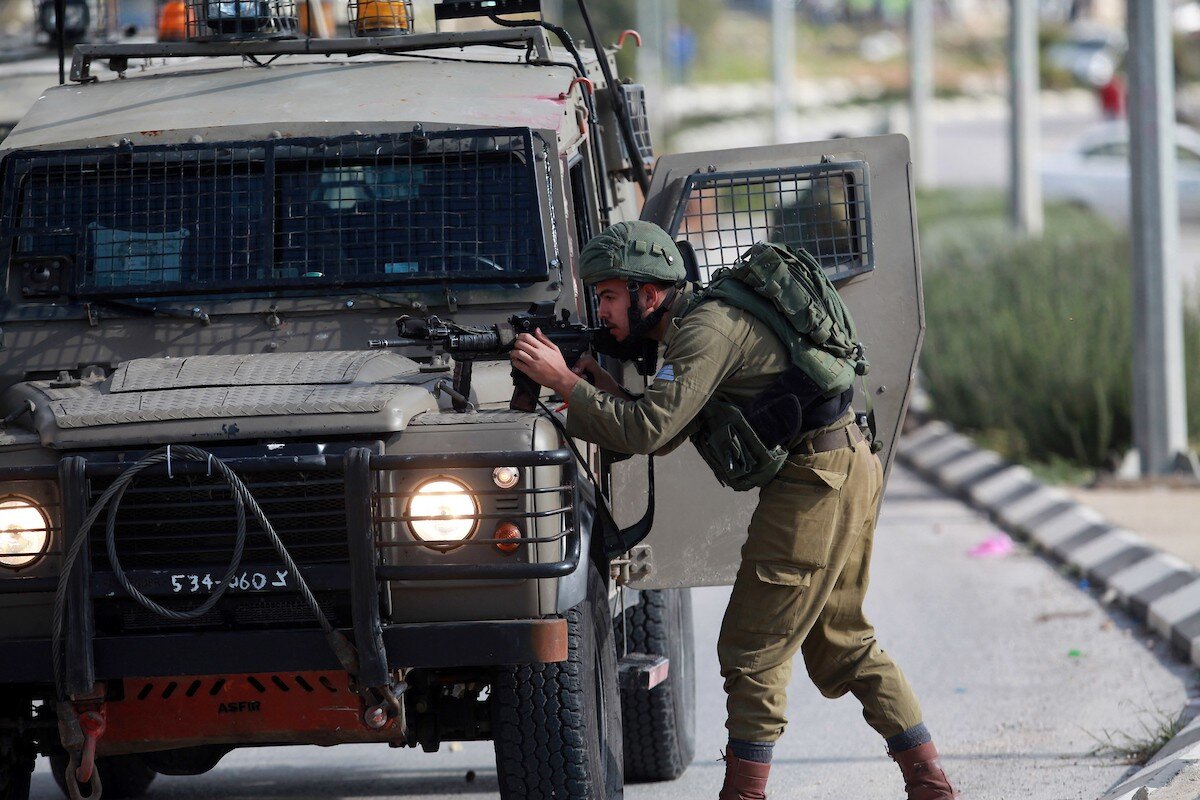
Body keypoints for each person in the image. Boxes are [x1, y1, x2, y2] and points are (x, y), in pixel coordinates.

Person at [509, 220, 957, 800]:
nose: (604, 312)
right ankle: (931, 786)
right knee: (841, 643)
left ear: (650, 294)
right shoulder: (697, 326)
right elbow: (666, 429)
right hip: (842, 465)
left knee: (750, 651)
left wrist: (565, 385)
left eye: (611, 296)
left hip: (816, 480)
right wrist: (590, 385)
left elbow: (648, 429)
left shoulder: (704, 332)